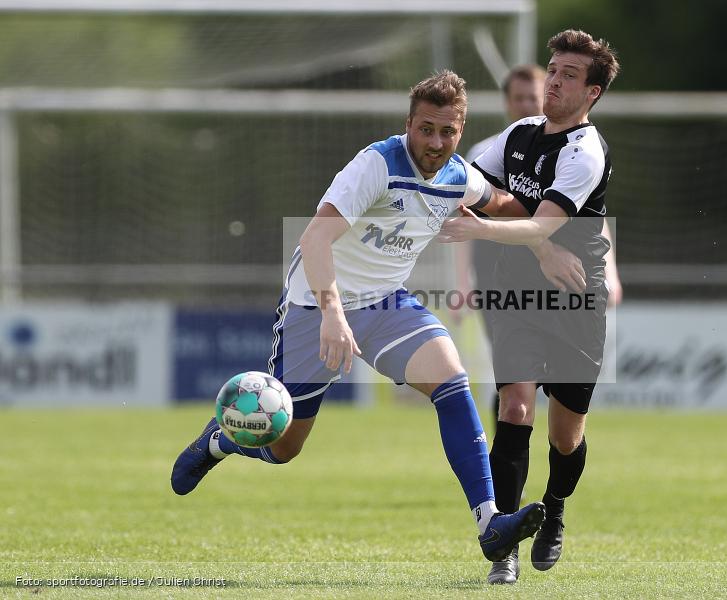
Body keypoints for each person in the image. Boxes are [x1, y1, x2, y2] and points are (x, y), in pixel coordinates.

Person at [170, 70, 548, 563]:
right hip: (315, 304)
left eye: (447, 132)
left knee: (453, 381)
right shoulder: (375, 165)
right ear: (408, 125)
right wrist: (332, 314)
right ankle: (220, 441)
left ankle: (490, 522)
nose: (435, 143)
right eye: (426, 129)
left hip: (385, 303)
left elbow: (504, 203)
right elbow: (314, 239)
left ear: (460, 132)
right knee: (284, 447)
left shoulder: (459, 176)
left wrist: (556, 214)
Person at [439, 30, 620, 584]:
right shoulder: (518, 135)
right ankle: (504, 543)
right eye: (554, 69)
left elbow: (539, 222)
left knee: (565, 436)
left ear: (591, 93)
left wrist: (494, 229)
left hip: (575, 301)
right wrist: (527, 240)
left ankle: (555, 508)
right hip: (514, 295)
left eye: (569, 75)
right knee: (514, 407)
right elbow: (479, 186)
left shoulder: (585, 152)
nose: (555, 81)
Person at [460, 64, 623, 435]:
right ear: (506, 103)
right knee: (513, 383)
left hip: (568, 280)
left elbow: (594, 217)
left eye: (531, 97)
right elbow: (468, 214)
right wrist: (463, 278)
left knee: (563, 420)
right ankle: (505, 459)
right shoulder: (495, 147)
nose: (526, 104)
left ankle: (553, 466)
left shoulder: (581, 152)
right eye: (517, 98)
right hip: (501, 268)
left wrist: (610, 271)